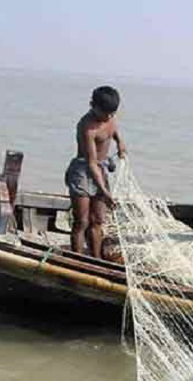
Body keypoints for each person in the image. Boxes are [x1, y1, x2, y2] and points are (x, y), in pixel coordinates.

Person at [65, 86, 126, 259]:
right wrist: (105, 192)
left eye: (111, 113)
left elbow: (115, 132)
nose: (108, 117)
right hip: (83, 172)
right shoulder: (87, 126)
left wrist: (120, 143)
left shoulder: (110, 119)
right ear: (92, 105)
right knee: (82, 221)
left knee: (98, 220)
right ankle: (76, 260)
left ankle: (96, 258)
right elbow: (91, 163)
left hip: (101, 169)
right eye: (105, 113)